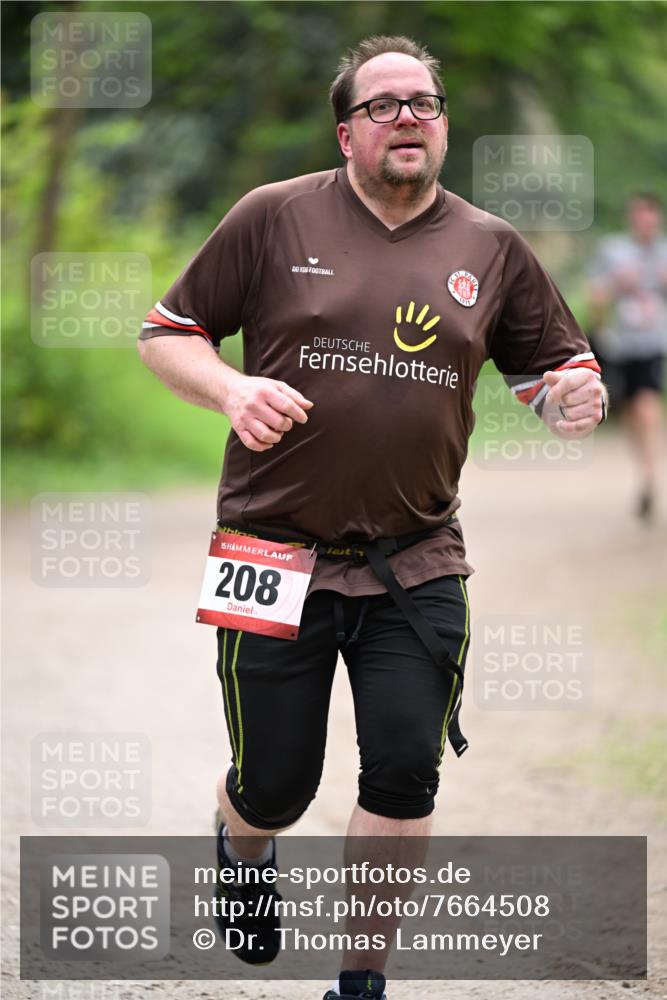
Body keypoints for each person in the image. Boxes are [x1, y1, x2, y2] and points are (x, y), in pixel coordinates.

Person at [138, 35, 606, 1000]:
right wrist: (229, 391)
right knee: (277, 781)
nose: (408, 116)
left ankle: (361, 982)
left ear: (442, 126)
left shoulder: (490, 245)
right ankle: (243, 842)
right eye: (385, 104)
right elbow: (167, 333)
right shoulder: (272, 217)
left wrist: (566, 396)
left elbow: (550, 365)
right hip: (268, 551)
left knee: (403, 771)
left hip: (418, 559)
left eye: (424, 103)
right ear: (347, 130)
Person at [588, 193, 667, 521]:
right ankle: (644, 468)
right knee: (633, 411)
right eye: (638, 215)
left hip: (653, 342)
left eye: (648, 215)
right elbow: (596, 294)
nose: (643, 221)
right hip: (621, 344)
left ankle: (650, 478)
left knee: (647, 403)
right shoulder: (613, 250)